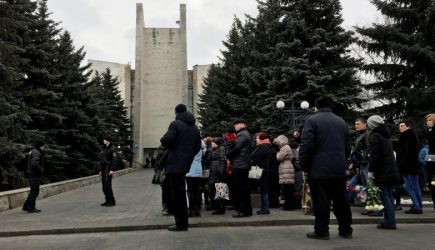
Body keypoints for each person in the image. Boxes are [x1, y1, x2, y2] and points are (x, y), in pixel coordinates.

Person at [299, 96, 353, 240]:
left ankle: (322, 231)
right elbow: (348, 146)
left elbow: (307, 146)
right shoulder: (341, 122)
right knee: (341, 200)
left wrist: (303, 164)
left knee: (321, 201)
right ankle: (346, 229)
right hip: (338, 168)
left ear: (316, 107)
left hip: (318, 169)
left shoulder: (312, 120)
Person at [160, 103, 201, 231]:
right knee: (181, 194)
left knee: (177, 196)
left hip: (174, 164)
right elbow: (197, 147)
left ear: (176, 113)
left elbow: (166, 140)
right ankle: (183, 223)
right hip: (185, 164)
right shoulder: (195, 128)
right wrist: (187, 157)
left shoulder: (175, 124)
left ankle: (180, 224)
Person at [367, 115, 401, 230]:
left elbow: (374, 156)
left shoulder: (375, 136)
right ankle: (390, 220)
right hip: (390, 170)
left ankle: (390, 222)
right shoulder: (385, 135)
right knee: (389, 196)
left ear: (372, 125)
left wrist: (371, 172)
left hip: (382, 171)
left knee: (385, 197)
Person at [226, 119, 253, 218]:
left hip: (240, 165)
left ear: (240, 125)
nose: (234, 127)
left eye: (235, 125)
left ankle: (243, 211)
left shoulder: (242, 134)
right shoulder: (245, 134)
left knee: (241, 189)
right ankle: (247, 210)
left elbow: (236, 148)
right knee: (244, 188)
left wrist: (227, 154)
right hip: (243, 164)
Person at [396, 121, 423, 214]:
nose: (400, 128)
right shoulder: (407, 136)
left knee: (410, 186)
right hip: (408, 165)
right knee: (413, 186)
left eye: (402, 126)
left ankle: (417, 206)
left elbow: (409, 152)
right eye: (399, 126)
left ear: (408, 126)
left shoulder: (409, 135)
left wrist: (401, 162)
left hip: (409, 165)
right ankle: (418, 205)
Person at [251, 132, 274, 214]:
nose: (256, 140)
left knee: (264, 189)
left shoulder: (263, 147)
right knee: (262, 189)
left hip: (262, 170)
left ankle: (265, 208)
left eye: (257, 138)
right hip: (260, 170)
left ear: (261, 138)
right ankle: (264, 207)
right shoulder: (262, 146)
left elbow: (255, 157)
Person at [273, 135, 297, 211]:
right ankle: (289, 205)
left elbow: (279, 157)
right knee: (288, 188)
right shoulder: (287, 147)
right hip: (287, 168)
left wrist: (277, 153)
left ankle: (288, 206)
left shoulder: (284, 148)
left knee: (288, 189)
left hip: (286, 169)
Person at [22, 141, 45, 213]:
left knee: (33, 190)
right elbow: (34, 164)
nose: (44, 148)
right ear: (40, 146)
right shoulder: (37, 152)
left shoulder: (32, 151)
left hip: (30, 173)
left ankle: (26, 206)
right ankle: (30, 208)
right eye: (44, 146)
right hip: (34, 174)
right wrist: (41, 170)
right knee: (35, 191)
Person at [186, 140, 205, 217]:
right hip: (198, 172)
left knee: (191, 192)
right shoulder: (200, 149)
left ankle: (191, 210)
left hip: (190, 172)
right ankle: (197, 210)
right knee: (197, 191)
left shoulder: (189, 148)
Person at [208, 138, 227, 214]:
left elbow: (222, 160)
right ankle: (218, 207)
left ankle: (220, 208)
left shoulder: (221, 149)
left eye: (213, 143)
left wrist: (221, 172)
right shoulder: (214, 149)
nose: (212, 144)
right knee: (215, 190)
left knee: (219, 191)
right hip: (214, 172)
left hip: (218, 173)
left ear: (217, 143)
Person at [99, 137, 117, 207]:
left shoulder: (112, 148)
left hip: (108, 169)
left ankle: (112, 201)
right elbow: (102, 160)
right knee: (104, 187)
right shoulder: (104, 148)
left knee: (108, 186)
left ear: (108, 141)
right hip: (103, 169)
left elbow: (115, 159)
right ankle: (107, 200)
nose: (103, 140)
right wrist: (100, 170)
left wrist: (112, 169)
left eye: (105, 139)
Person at [425, 113, 435, 210]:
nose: (428, 122)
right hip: (431, 160)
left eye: (430, 120)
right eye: (427, 121)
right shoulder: (430, 131)